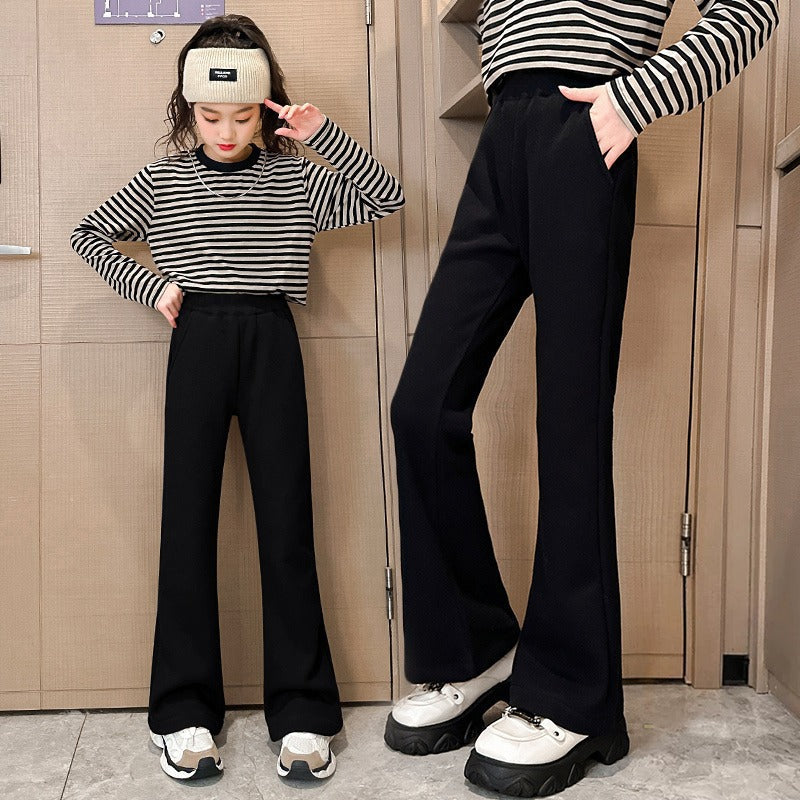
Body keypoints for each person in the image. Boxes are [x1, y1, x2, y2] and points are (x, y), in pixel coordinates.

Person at [384, 0, 779, 796]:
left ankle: (575, 698)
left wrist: (633, 99)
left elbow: (751, 10)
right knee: (421, 405)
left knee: (568, 423)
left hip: (583, 124)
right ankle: (477, 650)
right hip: (504, 135)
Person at [69, 13, 404, 783]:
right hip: (197, 339)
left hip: (271, 337)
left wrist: (321, 135)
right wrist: (149, 285)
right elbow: (90, 234)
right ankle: (182, 712)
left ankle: (304, 712)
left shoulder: (296, 176)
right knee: (186, 522)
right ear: (188, 108)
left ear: (266, 108)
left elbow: (384, 198)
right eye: (210, 116)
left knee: (287, 523)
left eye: (243, 115)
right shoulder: (163, 180)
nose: (225, 131)